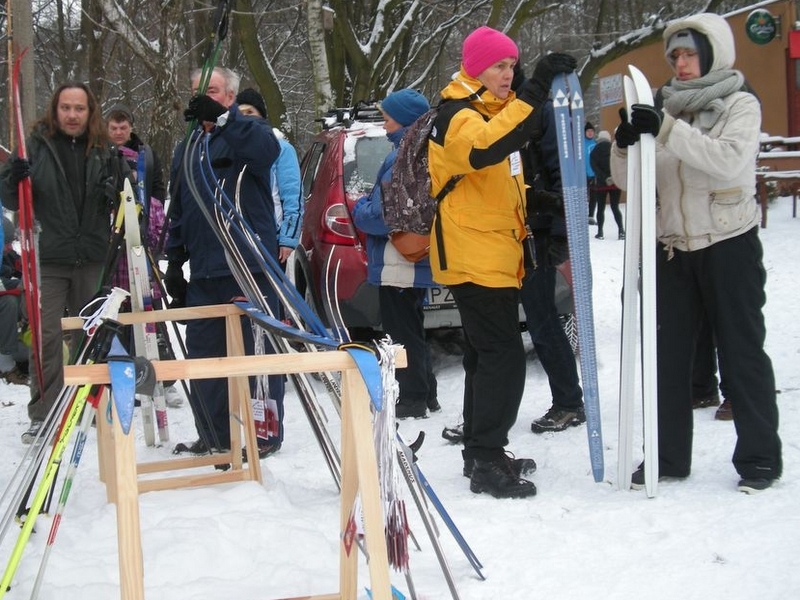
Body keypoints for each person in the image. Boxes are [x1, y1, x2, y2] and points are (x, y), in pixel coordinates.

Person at [610, 13, 782, 493]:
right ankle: (667, 457)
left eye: (690, 54)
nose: (681, 64)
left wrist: (665, 128)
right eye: (676, 56)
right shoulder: (660, 106)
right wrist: (624, 147)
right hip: (673, 249)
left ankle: (759, 458)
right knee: (667, 356)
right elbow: (629, 182)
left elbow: (728, 159)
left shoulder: (739, 103)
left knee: (741, 351)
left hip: (729, 243)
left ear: (712, 55)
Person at [427, 24, 576, 499]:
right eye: (499, 65)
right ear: (475, 68)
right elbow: (489, 146)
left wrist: (542, 201)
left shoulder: (486, 112)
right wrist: (535, 90)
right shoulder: (458, 116)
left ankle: (480, 451)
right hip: (473, 255)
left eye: (512, 65)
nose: (508, 73)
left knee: (483, 355)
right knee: (502, 357)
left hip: (491, 252)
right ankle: (488, 458)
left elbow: (492, 184)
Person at [0, 82, 130, 444]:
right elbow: (8, 194)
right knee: (48, 336)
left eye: (80, 108)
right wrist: (14, 175)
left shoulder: (103, 149)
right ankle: (43, 413)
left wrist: (117, 184)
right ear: (55, 110)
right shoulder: (36, 147)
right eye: (66, 108)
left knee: (90, 334)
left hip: (92, 255)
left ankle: (87, 405)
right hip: (52, 257)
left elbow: (126, 192)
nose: (72, 115)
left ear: (90, 113)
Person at [164, 66, 284, 458]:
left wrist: (224, 119)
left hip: (248, 268)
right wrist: (175, 261)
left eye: (212, 91)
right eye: (197, 92)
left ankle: (263, 434)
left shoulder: (249, 131)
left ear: (230, 96)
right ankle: (216, 436)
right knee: (204, 360)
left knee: (258, 356)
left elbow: (266, 151)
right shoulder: (188, 146)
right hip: (204, 272)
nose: (203, 98)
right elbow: (180, 207)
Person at [352, 88, 440, 420]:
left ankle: (412, 397)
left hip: (397, 260)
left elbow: (382, 215)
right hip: (413, 261)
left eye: (388, 117)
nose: (384, 123)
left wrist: (360, 207)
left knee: (401, 333)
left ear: (403, 119)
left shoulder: (401, 158)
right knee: (413, 327)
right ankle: (427, 391)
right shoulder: (423, 151)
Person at [514, 66, 586, 435]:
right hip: (512, 233)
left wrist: (561, 232)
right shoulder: (504, 109)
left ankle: (569, 403)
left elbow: (565, 174)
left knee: (542, 320)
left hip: (539, 233)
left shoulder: (538, 109)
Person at [105, 104, 183, 408]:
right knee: (118, 310)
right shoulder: (100, 154)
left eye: (123, 127)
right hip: (113, 241)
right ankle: (123, 378)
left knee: (150, 309)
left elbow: (157, 188)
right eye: (113, 127)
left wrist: (152, 216)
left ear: (130, 127)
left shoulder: (145, 154)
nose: (119, 132)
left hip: (141, 239)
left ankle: (165, 377)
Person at [235, 88, 303, 265]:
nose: (246, 117)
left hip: (271, 237)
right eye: (241, 113)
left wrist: (287, 238)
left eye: (250, 112)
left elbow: (292, 196)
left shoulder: (281, 149)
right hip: (237, 238)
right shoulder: (231, 149)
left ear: (261, 115)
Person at [0, 216, 29, 385]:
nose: (10, 247)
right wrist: (20, 285)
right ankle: (6, 364)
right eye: (6, 242)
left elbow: (22, 266)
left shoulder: (7, 253)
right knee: (9, 303)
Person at [589, 130, 625, 240]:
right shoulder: (614, 149)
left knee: (601, 208)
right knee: (615, 207)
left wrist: (604, 177)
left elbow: (594, 167)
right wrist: (612, 177)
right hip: (615, 183)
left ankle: (600, 232)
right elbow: (618, 164)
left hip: (601, 184)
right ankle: (621, 231)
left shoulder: (594, 151)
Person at [584, 122, 598, 225]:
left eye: (591, 131)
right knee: (582, 195)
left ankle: (590, 215)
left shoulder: (596, 144)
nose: (590, 133)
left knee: (593, 196)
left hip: (594, 174)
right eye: (588, 131)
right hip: (583, 174)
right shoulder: (580, 144)